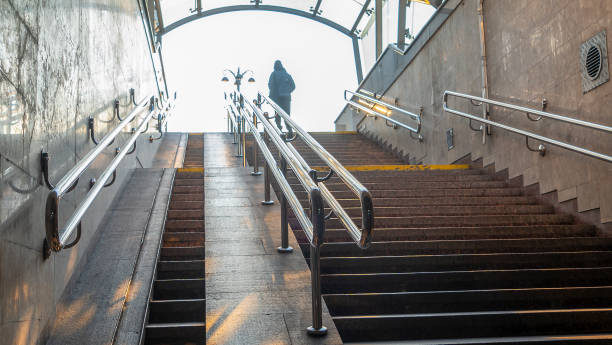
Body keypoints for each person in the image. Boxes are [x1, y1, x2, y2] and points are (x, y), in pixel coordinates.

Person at [268, 60, 295, 135]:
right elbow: (293, 86)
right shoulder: (287, 75)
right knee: (287, 115)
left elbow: (270, 85)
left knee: (277, 114)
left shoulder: (273, 74)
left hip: (277, 97)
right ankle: (290, 131)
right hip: (286, 98)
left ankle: (279, 129)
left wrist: (272, 94)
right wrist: (287, 91)